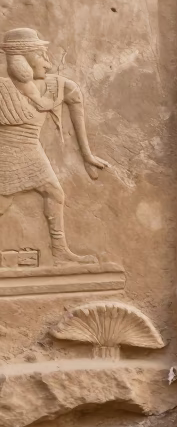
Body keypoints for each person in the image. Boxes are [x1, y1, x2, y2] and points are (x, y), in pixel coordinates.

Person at [0, 28, 109, 265]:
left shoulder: (54, 86)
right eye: (40, 55)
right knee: (4, 202)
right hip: (6, 152)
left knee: (54, 193)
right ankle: (59, 252)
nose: (47, 62)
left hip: (31, 149)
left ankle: (59, 252)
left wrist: (87, 155)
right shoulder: (3, 89)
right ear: (23, 59)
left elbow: (76, 101)